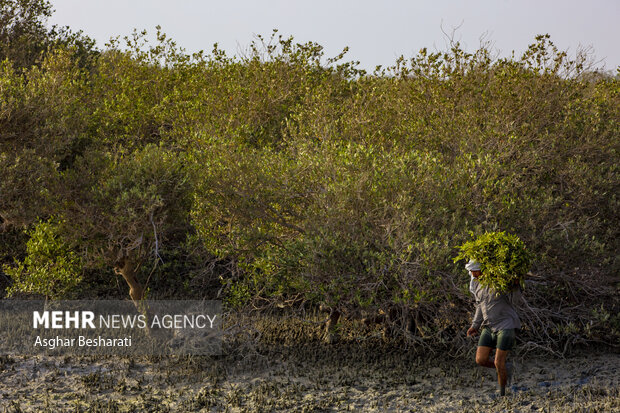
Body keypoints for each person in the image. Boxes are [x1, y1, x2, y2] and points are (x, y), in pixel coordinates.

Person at [465, 259, 521, 396]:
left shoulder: (498, 282)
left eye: (474, 270)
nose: (472, 273)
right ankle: (506, 368)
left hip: (506, 325)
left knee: (498, 361)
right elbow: (480, 306)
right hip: (488, 326)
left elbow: (515, 301)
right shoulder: (477, 285)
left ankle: (503, 394)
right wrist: (475, 325)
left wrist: (515, 285)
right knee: (481, 360)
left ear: (482, 269)